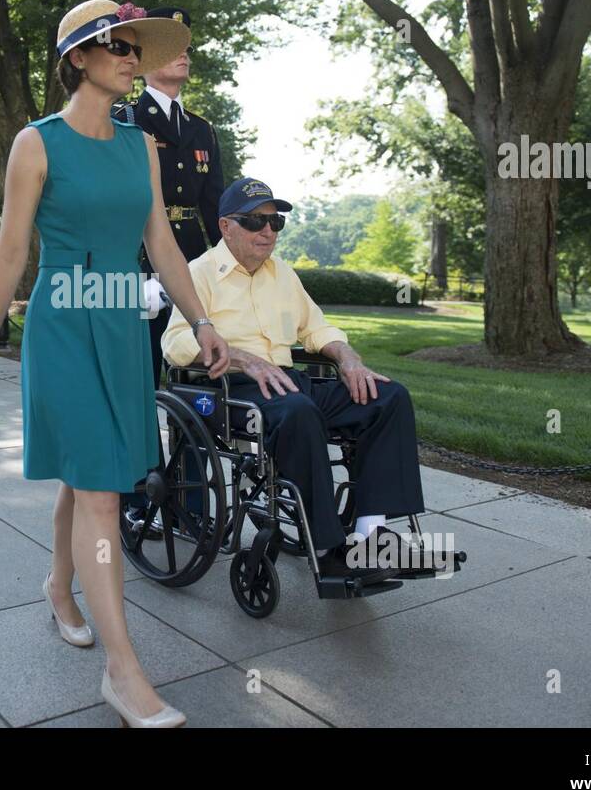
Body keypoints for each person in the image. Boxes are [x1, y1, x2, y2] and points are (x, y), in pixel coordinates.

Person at [0, 0, 230, 728]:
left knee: (94, 477)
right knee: (103, 489)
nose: (129, 54)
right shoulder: (34, 143)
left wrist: (200, 317)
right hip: (63, 327)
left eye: (134, 45)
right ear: (77, 58)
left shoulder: (140, 144)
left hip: (119, 324)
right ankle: (124, 670)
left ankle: (58, 584)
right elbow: (12, 253)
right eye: (113, 43)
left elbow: (163, 247)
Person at [161, 178, 427, 577]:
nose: (267, 231)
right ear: (225, 226)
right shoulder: (198, 274)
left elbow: (317, 330)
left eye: (275, 222)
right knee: (298, 412)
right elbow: (175, 342)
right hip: (231, 387)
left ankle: (371, 533)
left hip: (285, 381)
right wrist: (242, 359)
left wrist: (349, 358)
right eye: (254, 221)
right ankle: (329, 548)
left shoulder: (282, 274)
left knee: (387, 397)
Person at [113, 6, 225, 383]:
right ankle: (145, 444)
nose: (184, 54)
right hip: (141, 261)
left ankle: (188, 444)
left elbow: (215, 208)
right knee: (142, 370)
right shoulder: (125, 120)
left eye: (186, 47)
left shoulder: (202, 129)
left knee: (196, 370)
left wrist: (225, 266)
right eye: (172, 47)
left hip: (192, 262)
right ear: (144, 63)